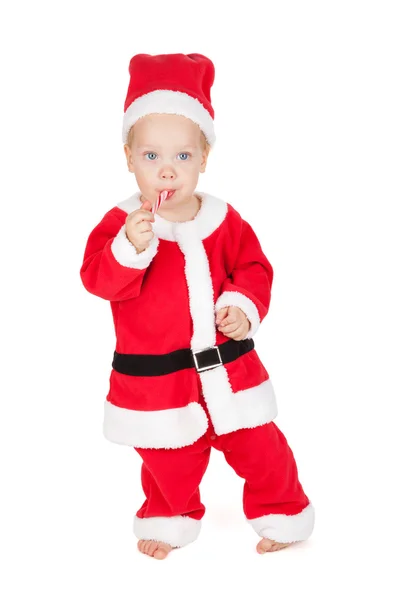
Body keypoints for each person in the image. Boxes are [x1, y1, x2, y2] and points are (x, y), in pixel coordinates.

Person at [80, 52, 315, 560]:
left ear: (204, 158)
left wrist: (241, 305)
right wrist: (129, 248)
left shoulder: (223, 222)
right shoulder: (121, 226)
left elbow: (255, 268)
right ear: (128, 158)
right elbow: (98, 280)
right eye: (151, 157)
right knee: (168, 458)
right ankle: (169, 518)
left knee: (262, 446)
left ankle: (284, 512)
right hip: (159, 382)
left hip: (230, 371)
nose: (167, 170)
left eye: (182, 157)